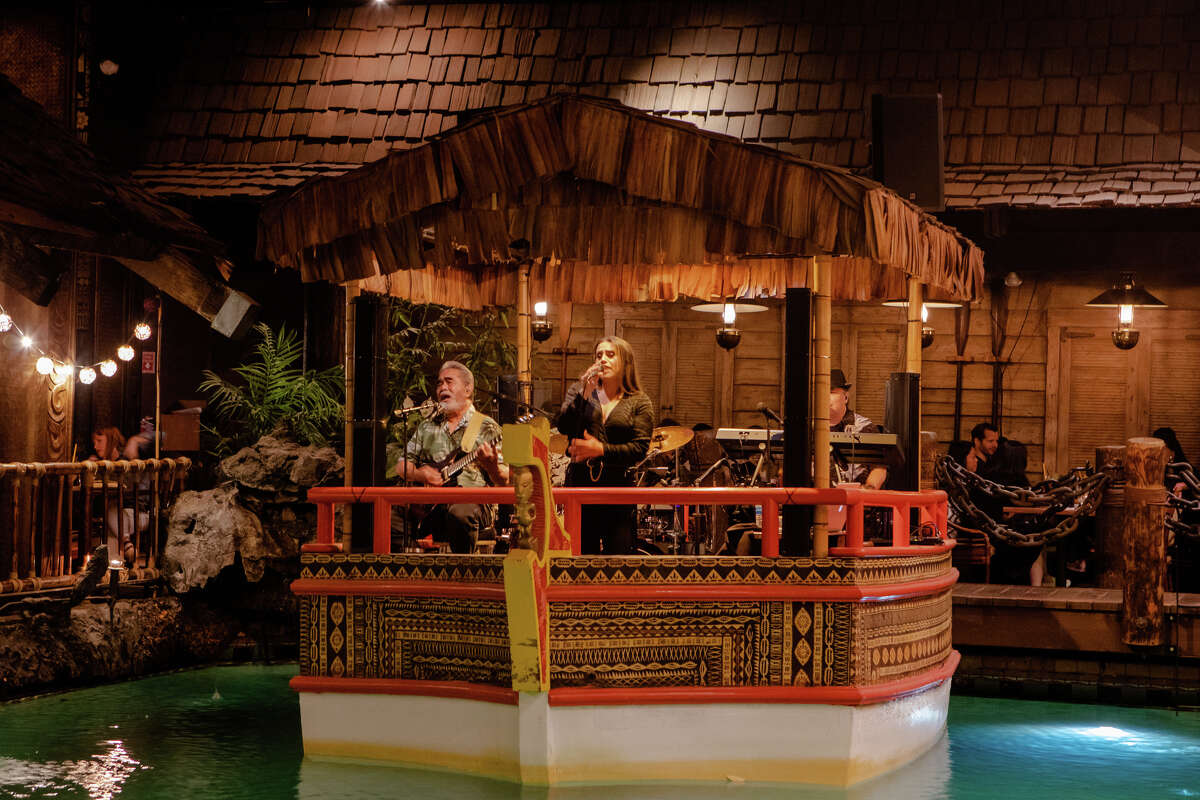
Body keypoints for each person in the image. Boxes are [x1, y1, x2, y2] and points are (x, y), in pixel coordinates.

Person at [392, 361, 508, 554]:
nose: (442, 388)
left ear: (468, 389)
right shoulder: (426, 426)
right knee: (387, 516)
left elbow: (505, 481)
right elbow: (401, 466)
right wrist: (422, 475)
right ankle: (406, 574)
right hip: (431, 504)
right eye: (439, 383)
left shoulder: (487, 427)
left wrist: (492, 466)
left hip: (472, 502)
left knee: (460, 512)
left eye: (449, 382)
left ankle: (462, 574)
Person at [557, 336, 655, 555]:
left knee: (618, 560)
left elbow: (639, 449)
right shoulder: (580, 392)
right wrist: (584, 393)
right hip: (580, 485)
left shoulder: (639, 401)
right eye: (599, 355)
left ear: (626, 362)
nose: (603, 360)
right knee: (579, 559)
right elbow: (563, 425)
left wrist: (600, 450)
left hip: (617, 489)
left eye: (611, 355)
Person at [828, 369, 888, 490]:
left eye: (831, 392)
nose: (824, 397)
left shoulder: (864, 427)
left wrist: (868, 490)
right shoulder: (808, 429)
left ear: (846, 397)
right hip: (814, 501)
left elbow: (879, 468)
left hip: (856, 502)